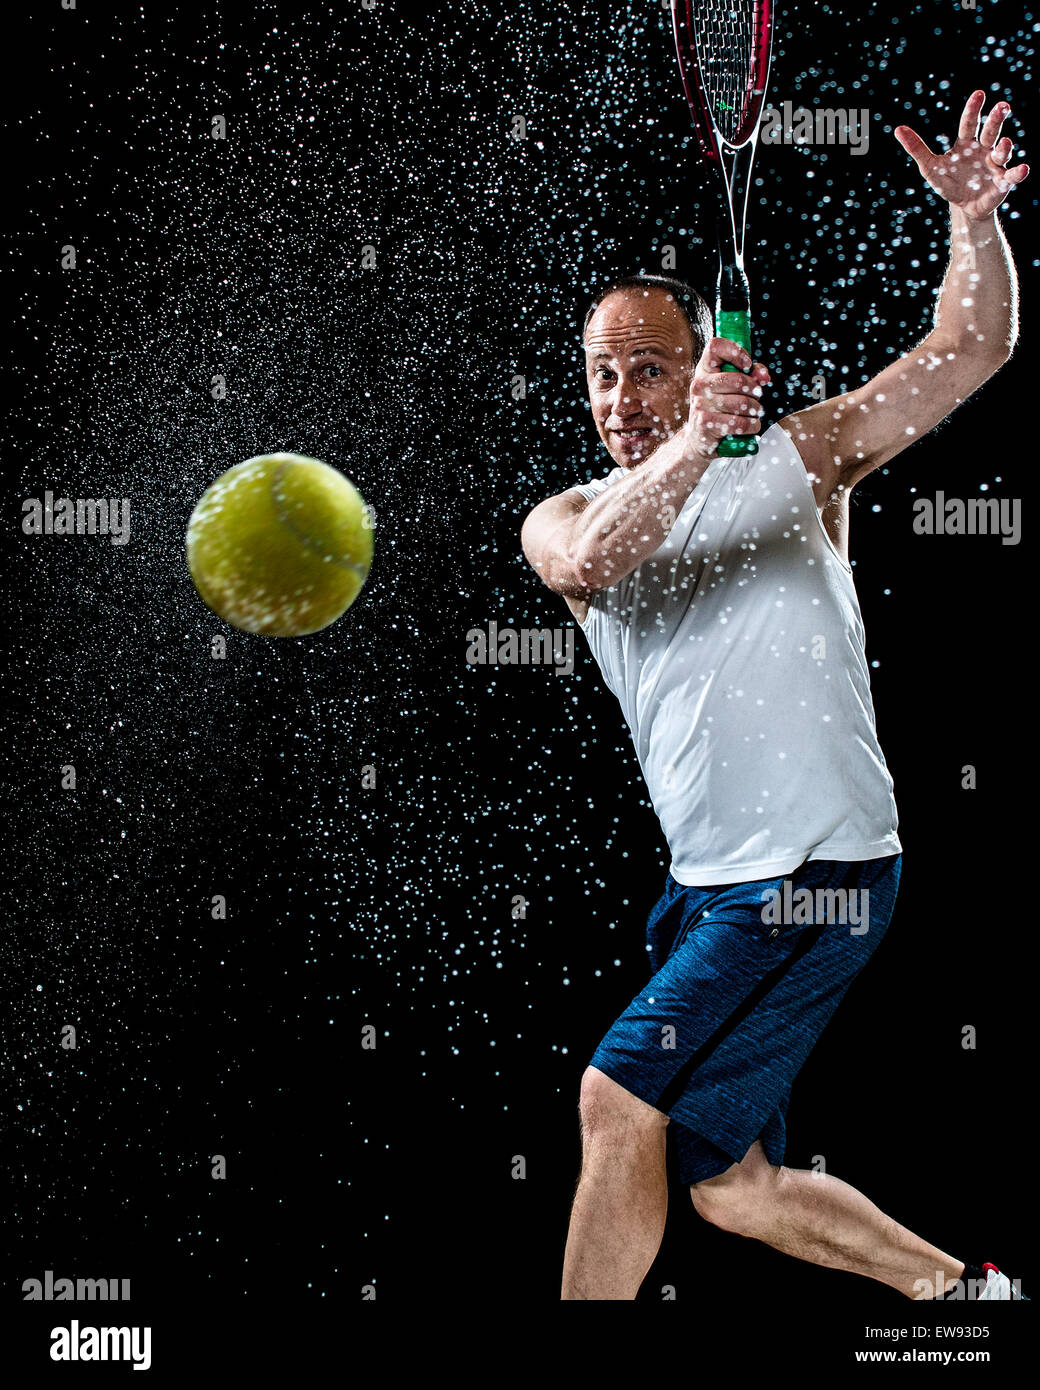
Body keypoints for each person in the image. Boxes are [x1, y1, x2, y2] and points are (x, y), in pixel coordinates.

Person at [521, 91, 1028, 1302]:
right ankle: (968, 1302)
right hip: (708, 888)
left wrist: (971, 222)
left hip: (818, 871)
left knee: (612, 1097)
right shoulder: (565, 520)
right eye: (603, 374)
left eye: (651, 368)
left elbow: (967, 353)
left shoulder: (804, 459)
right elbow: (598, 564)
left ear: (705, 362)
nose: (622, 397)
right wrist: (695, 439)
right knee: (727, 1181)